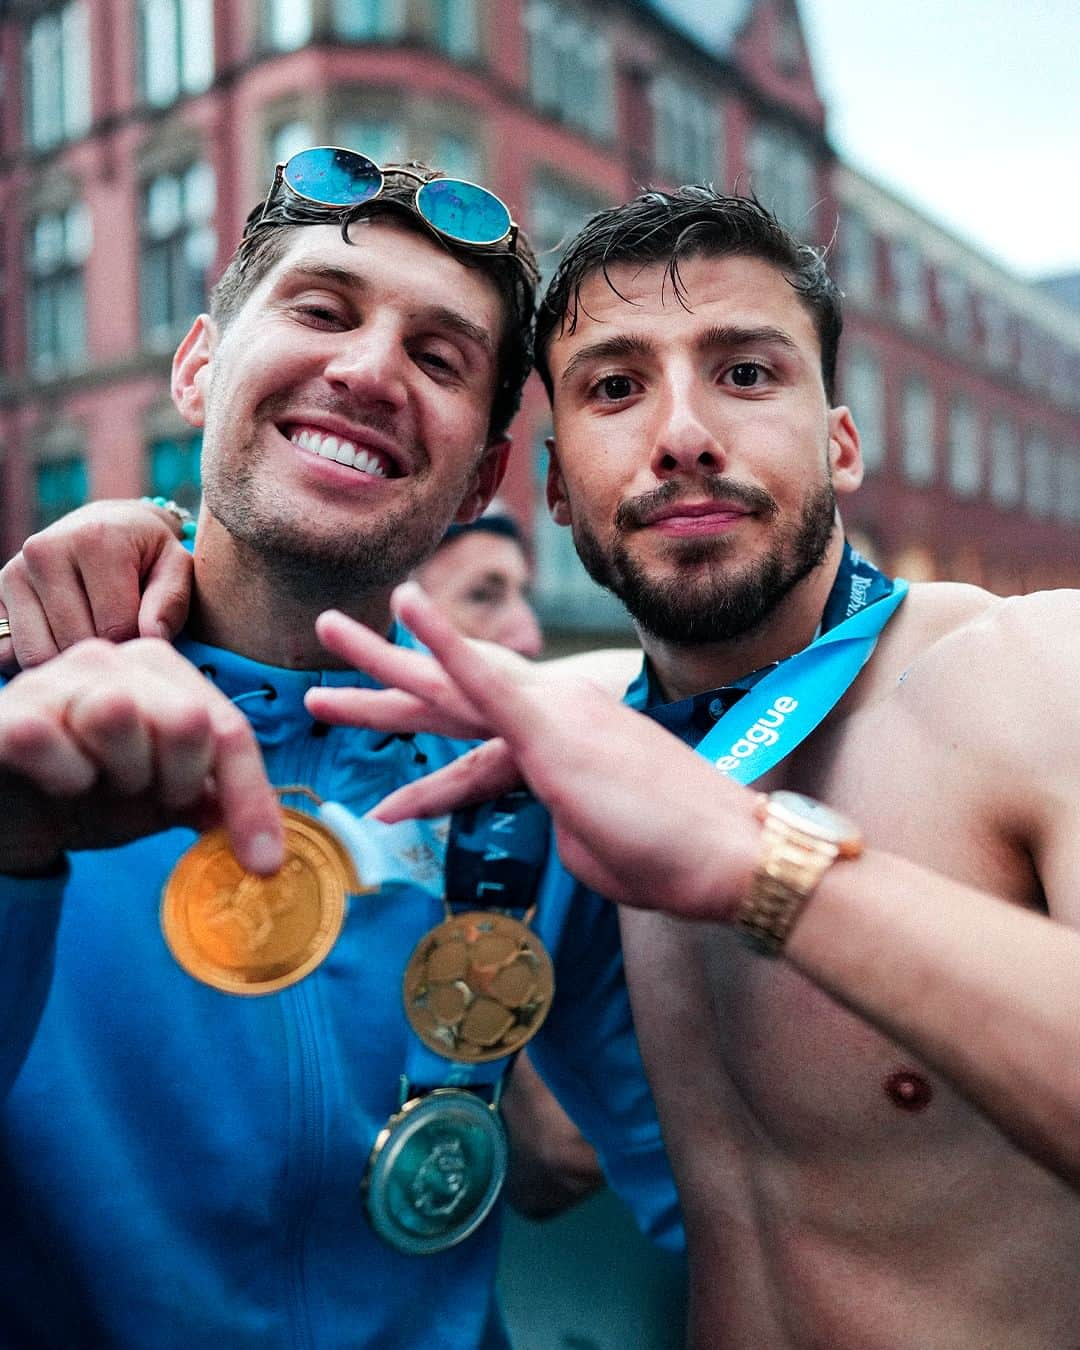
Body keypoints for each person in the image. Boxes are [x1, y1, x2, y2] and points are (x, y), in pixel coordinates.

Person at [294, 189, 1080, 1349]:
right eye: (616, 387)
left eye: (748, 375)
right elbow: (280, 645)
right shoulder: (580, 723)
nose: (684, 434)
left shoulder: (1028, 671)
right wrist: (136, 550)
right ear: (556, 488)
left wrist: (766, 865)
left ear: (842, 442)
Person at [0, 153, 678, 1349]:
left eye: (438, 356)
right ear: (199, 366)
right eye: (320, 309)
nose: (367, 371)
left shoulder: (537, 787)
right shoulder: (20, 721)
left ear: (479, 479)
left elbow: (736, 1202)